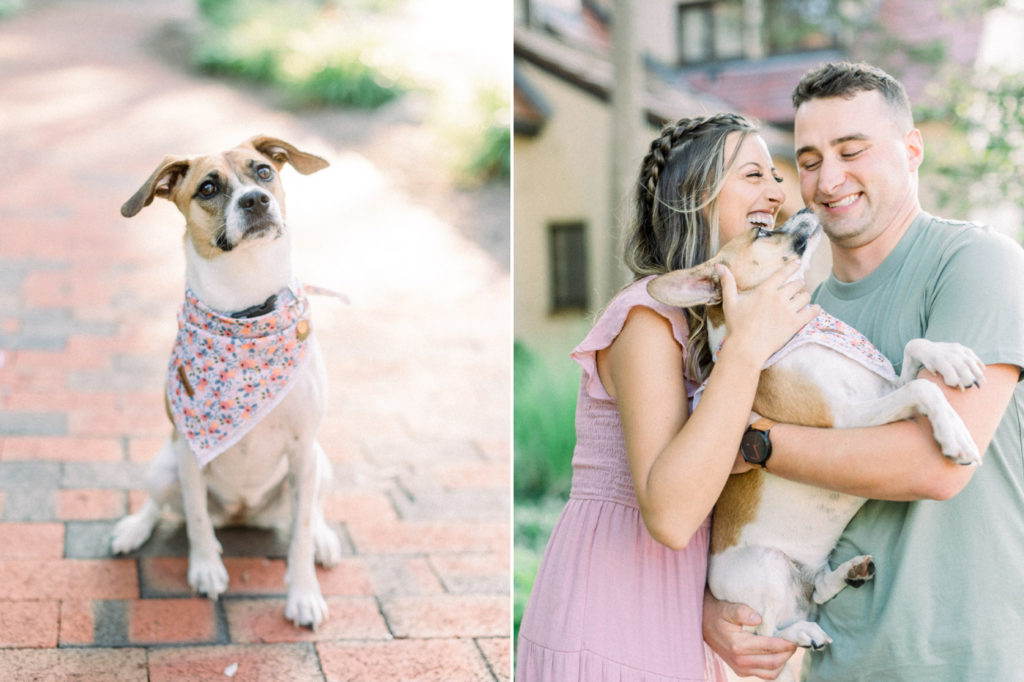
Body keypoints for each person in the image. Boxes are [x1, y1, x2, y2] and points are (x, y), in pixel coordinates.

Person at [703, 62, 1024, 681]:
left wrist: (758, 441)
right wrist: (713, 609)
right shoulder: (800, 312)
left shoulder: (977, 265)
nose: (828, 179)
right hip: (841, 661)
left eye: (852, 151)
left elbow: (933, 464)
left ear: (911, 150)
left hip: (972, 659)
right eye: (810, 159)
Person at [515, 113, 820, 680]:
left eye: (777, 178)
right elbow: (673, 515)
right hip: (611, 611)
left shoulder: (715, 330)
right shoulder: (647, 321)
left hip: (674, 613)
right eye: (754, 174)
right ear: (696, 195)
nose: (778, 192)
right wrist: (749, 348)